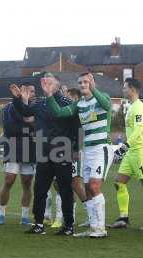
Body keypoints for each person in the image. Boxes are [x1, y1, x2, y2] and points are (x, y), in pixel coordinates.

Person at [47, 73, 114, 238]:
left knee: (94, 186)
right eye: (81, 82)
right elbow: (60, 113)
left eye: (87, 81)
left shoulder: (102, 97)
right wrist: (49, 95)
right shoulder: (79, 104)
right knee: (88, 190)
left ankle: (100, 229)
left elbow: (107, 106)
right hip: (88, 151)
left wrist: (93, 88)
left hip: (101, 148)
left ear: (92, 82)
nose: (83, 84)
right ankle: (93, 227)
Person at [11, 73, 76, 236]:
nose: (45, 83)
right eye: (44, 82)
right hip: (43, 152)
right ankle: (38, 224)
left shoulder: (67, 103)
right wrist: (18, 99)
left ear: (58, 85)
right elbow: (25, 112)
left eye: (49, 81)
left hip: (62, 151)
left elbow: (76, 127)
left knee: (65, 189)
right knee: (39, 189)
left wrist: (75, 149)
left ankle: (68, 225)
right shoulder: (40, 103)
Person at [0, 84, 36, 226]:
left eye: (33, 92)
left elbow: (37, 126)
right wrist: (28, 125)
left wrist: (30, 126)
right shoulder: (8, 108)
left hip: (29, 147)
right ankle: (1, 213)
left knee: (27, 182)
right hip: (12, 146)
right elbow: (10, 128)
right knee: (9, 180)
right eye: (29, 91)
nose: (32, 94)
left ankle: (24, 216)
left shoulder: (35, 107)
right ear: (21, 92)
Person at [109, 78, 143, 229]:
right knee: (119, 182)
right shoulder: (130, 106)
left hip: (139, 152)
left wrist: (126, 145)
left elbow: (139, 130)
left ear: (133, 89)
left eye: (125, 87)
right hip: (130, 153)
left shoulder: (139, 107)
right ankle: (123, 218)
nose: (123, 90)